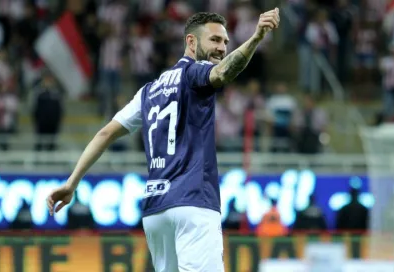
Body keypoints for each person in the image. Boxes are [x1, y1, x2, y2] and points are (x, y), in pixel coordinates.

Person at [46, 10, 280, 272]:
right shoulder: (195, 73)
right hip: (193, 202)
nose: (222, 48)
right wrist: (257, 37)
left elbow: (105, 133)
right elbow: (223, 73)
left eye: (225, 42)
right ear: (191, 42)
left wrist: (71, 183)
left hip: (156, 211)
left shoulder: (149, 91)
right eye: (214, 40)